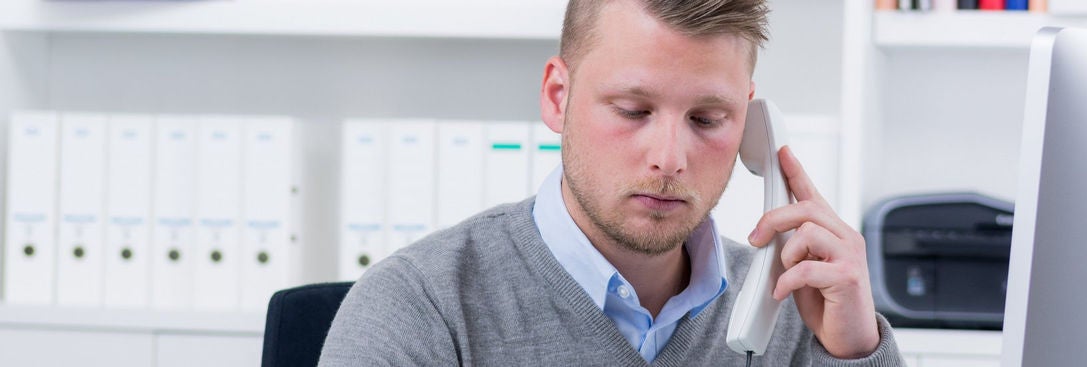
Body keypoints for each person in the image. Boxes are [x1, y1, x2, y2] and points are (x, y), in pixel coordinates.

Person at [319, 0, 906, 365]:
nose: (669, 158)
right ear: (558, 97)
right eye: (632, 109)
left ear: (751, 125)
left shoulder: (793, 310)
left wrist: (853, 354)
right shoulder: (421, 306)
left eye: (707, 119)